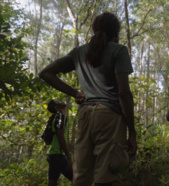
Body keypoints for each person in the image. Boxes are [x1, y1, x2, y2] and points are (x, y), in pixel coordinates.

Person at [39, 12, 137, 186]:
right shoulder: (119, 50)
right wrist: (132, 133)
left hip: (84, 115)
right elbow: (124, 94)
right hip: (109, 116)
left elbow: (46, 73)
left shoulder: (79, 52)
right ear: (116, 33)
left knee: (81, 176)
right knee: (107, 175)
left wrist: (75, 93)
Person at [46, 100, 73, 186]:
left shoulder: (54, 117)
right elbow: (61, 138)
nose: (60, 100)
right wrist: (68, 157)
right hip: (58, 154)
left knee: (52, 181)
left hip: (52, 154)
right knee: (77, 178)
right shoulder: (61, 116)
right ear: (56, 107)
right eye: (57, 101)